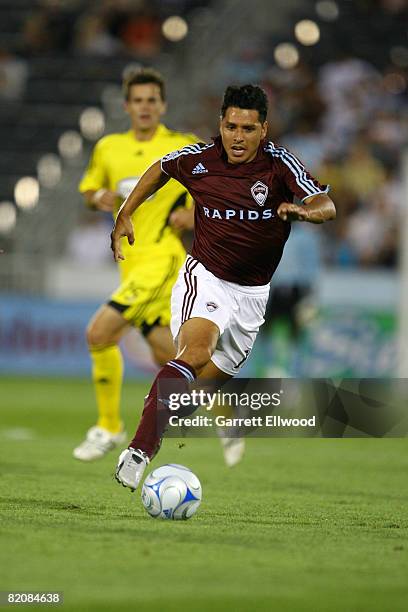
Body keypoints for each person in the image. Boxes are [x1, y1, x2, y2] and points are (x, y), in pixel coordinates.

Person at [111, 84, 336, 490]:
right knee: (195, 352)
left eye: (247, 129)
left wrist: (305, 211)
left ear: (263, 129)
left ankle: (167, 411)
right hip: (206, 276)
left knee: (199, 389)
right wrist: (126, 213)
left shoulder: (280, 166)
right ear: (221, 124)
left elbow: (326, 203)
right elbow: (160, 168)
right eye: (231, 126)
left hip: (253, 294)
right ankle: (140, 450)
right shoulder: (199, 160)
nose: (237, 136)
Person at [73, 68, 197, 461]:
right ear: (127, 106)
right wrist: (101, 198)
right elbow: (89, 189)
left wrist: (194, 215)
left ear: (163, 105)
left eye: (152, 100)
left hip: (162, 260)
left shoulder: (182, 147)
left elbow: (215, 192)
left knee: (99, 333)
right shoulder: (109, 147)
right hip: (130, 262)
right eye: (138, 100)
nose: (145, 107)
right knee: (166, 351)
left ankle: (109, 426)